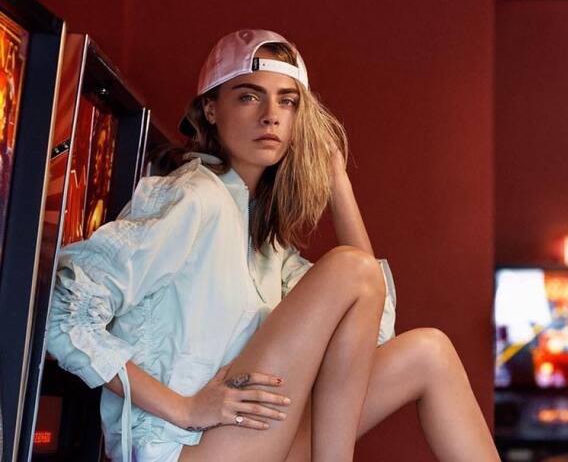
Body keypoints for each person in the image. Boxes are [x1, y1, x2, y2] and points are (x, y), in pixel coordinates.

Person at [46, 29, 500, 462]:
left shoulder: (264, 242)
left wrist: (336, 180)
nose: (271, 115)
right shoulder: (192, 198)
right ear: (210, 110)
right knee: (353, 269)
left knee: (429, 352)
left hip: (249, 442)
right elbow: (62, 313)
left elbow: (374, 331)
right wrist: (184, 408)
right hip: (184, 450)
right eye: (249, 96)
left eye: (287, 101)